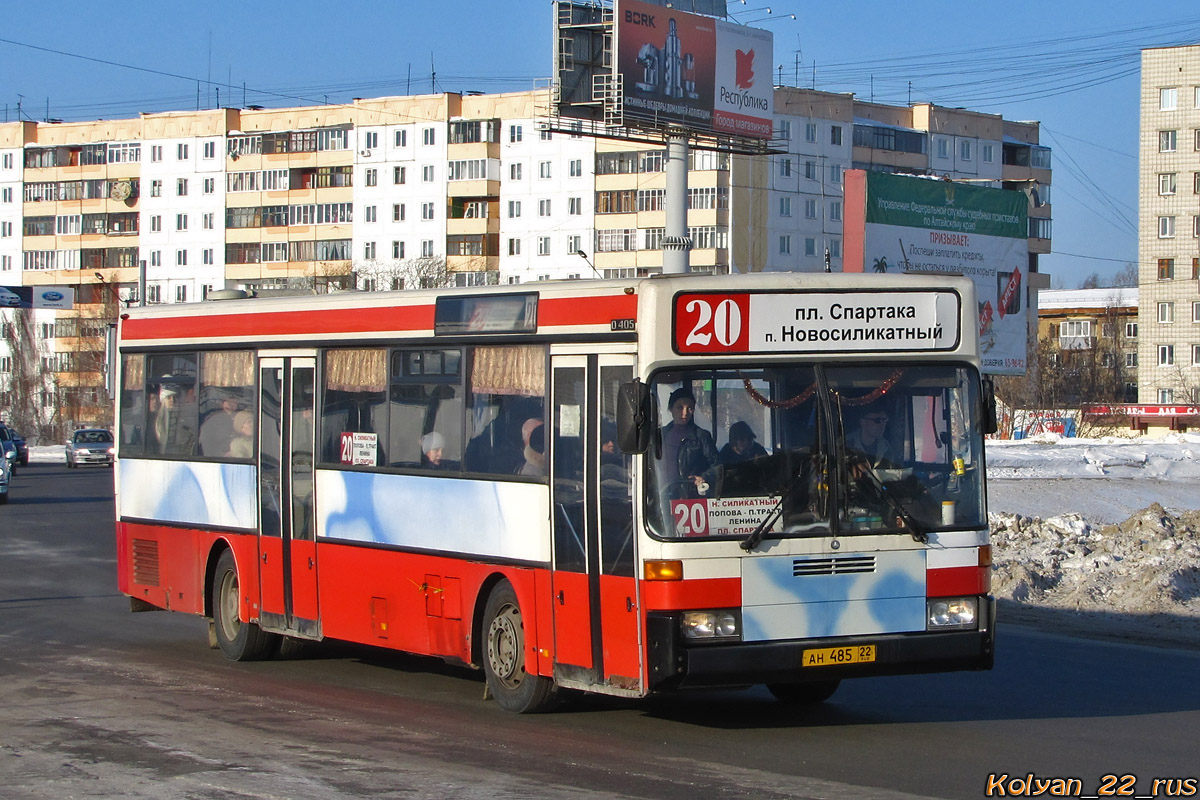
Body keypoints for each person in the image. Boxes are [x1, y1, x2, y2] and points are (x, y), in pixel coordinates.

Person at [658, 386, 717, 496]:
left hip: (691, 497)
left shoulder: (702, 436)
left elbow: (717, 466)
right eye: (679, 408)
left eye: (689, 408)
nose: (685, 413)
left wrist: (703, 477)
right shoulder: (660, 435)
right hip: (663, 494)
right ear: (671, 409)